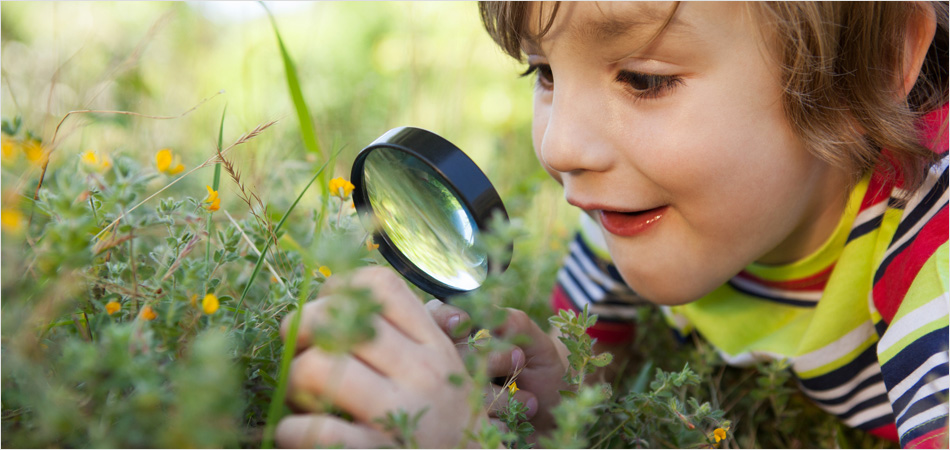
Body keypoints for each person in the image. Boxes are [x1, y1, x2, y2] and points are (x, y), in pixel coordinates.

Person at [275, 2, 949, 448]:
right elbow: (594, 379)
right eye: (542, 70)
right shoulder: (631, 210)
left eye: (644, 79)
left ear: (877, 61)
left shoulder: (934, 253)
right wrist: (555, 397)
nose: (561, 147)